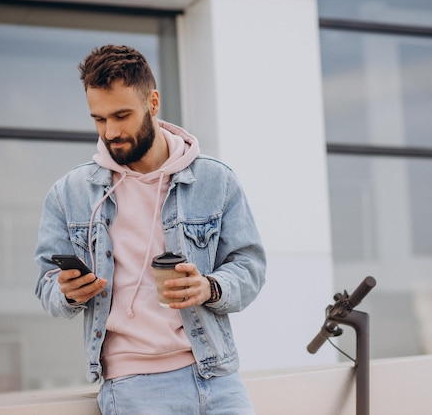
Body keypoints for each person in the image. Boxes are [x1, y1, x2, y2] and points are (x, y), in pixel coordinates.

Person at [34, 44, 266, 414]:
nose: (111, 131)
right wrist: (68, 293)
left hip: (218, 377)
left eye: (122, 115)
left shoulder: (215, 180)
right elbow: (46, 287)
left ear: (153, 102)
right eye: (99, 119)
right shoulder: (69, 195)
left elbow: (250, 267)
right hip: (133, 388)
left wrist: (209, 286)